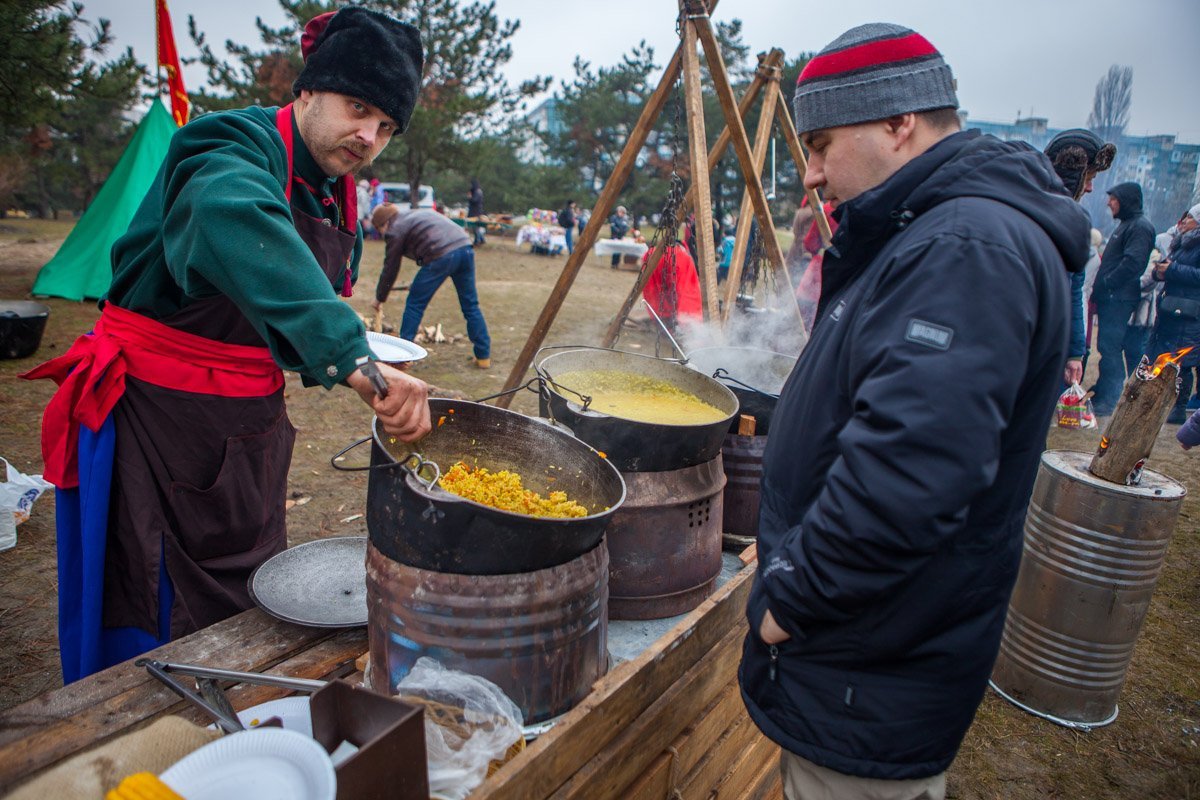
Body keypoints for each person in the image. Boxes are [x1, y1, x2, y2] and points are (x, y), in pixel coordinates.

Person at [20, 8, 430, 684]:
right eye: (358, 108)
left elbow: (281, 295)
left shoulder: (328, 189)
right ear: (307, 90)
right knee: (155, 614)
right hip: (159, 429)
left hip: (244, 437)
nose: (369, 136)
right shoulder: (225, 149)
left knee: (250, 602)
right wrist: (353, 358)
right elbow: (232, 215)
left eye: (386, 126)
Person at [738, 23, 1089, 799]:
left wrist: (789, 597)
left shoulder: (965, 244)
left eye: (824, 142)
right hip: (876, 650)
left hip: (873, 664)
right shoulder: (935, 230)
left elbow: (909, 473)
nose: (813, 172)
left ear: (900, 124)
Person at [371, 203, 491, 369]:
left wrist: (379, 298)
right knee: (471, 305)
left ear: (383, 223)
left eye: (379, 230)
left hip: (441, 254)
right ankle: (483, 356)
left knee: (414, 304)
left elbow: (390, 267)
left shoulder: (394, 229)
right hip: (465, 247)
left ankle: (401, 358)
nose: (382, 234)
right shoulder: (412, 215)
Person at [1042, 128, 1116, 385]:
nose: (1091, 187)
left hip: (1048, 344)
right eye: (1089, 176)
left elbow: (1074, 290)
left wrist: (1075, 351)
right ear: (1071, 171)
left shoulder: (1077, 224)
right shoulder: (1025, 212)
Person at [1091, 182, 1156, 414]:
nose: (1109, 203)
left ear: (1126, 200)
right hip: (1112, 298)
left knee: (1111, 346)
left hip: (1119, 298)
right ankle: (1104, 389)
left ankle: (1110, 398)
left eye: (1114, 198)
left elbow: (1133, 263)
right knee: (1107, 345)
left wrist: (1108, 283)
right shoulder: (1127, 225)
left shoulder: (1139, 227)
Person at [1148, 204, 1200, 422]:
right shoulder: (1182, 242)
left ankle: (1178, 408)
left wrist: (1173, 270)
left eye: (1190, 217)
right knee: (1166, 357)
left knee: (1184, 361)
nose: (1184, 221)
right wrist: (1160, 271)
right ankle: (1162, 403)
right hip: (1171, 309)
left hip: (1190, 313)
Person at [468, 178, 486, 246]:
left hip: (475, 212)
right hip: (477, 211)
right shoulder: (478, 191)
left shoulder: (477, 192)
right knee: (477, 227)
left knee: (475, 227)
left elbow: (474, 201)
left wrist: (469, 197)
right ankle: (481, 239)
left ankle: (477, 241)